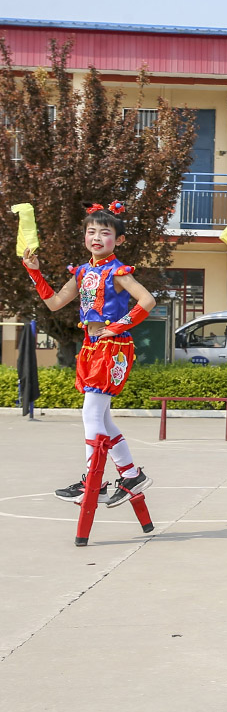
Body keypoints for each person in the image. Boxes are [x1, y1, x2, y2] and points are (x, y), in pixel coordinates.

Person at [25, 202, 156, 508]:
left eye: (105, 232)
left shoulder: (117, 271)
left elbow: (147, 300)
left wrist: (117, 327)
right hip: (91, 347)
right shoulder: (83, 272)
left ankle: (92, 481)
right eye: (91, 231)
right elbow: (55, 302)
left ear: (118, 239)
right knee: (102, 418)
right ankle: (130, 474)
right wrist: (35, 273)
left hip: (112, 347)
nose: (96, 237)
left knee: (91, 414)